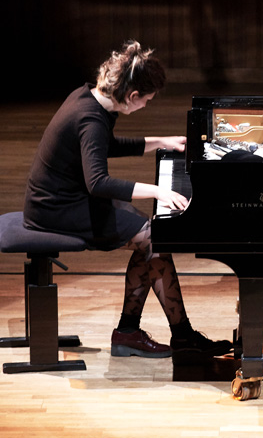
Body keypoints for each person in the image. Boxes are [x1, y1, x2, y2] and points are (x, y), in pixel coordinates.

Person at [24, 40, 231, 361]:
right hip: (56, 209)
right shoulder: (90, 120)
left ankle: (140, 333)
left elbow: (104, 145)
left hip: (60, 198)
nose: (146, 105)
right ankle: (168, 334)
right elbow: (98, 183)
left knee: (150, 236)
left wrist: (159, 141)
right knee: (152, 236)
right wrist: (158, 191)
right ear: (132, 96)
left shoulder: (87, 98)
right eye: (147, 100)